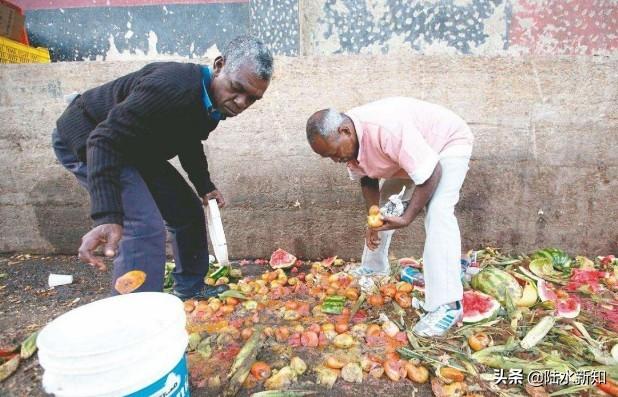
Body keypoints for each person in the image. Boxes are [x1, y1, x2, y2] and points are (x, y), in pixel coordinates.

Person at [52, 35, 273, 299]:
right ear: (219, 65)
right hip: (90, 137)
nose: (240, 103)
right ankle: (135, 317)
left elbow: (189, 139)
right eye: (237, 88)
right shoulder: (172, 86)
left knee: (187, 209)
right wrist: (107, 215)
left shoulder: (212, 103)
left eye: (251, 99)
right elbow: (103, 140)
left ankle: (190, 288)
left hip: (134, 146)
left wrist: (204, 185)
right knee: (143, 225)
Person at [305, 97, 473, 336]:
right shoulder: (348, 139)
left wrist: (407, 217)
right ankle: (375, 268)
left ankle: (448, 305)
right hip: (409, 155)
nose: (336, 160)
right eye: (328, 157)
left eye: (334, 153)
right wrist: (372, 218)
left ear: (345, 131)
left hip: (446, 143)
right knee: (384, 207)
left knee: (438, 210)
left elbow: (432, 172)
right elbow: (368, 177)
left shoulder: (386, 129)